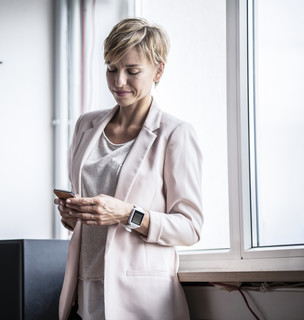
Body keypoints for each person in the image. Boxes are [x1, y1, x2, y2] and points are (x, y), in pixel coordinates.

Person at [54, 18, 203, 320]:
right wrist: (73, 217)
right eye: (111, 69)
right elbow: (91, 217)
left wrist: (126, 214)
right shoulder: (86, 125)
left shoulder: (175, 133)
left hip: (141, 301)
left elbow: (190, 228)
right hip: (84, 292)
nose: (118, 81)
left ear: (158, 70)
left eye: (132, 71)